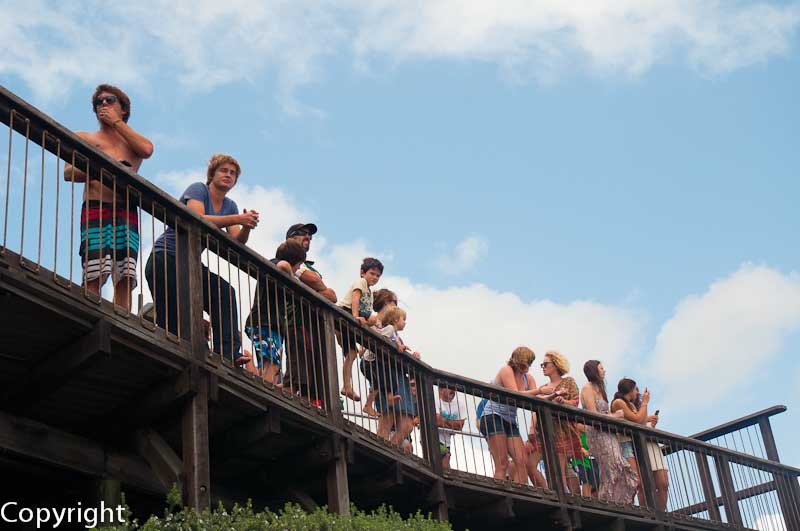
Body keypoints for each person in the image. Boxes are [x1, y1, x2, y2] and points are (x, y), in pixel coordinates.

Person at [145, 154, 257, 365]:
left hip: (191, 264)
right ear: (212, 174)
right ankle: (170, 357)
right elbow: (198, 217)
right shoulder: (199, 189)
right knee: (174, 319)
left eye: (233, 173)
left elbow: (237, 242)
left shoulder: (230, 205)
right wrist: (237, 219)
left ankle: (228, 353)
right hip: (166, 257)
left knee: (224, 292)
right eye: (224, 170)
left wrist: (246, 227)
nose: (228, 175)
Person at [64, 84, 154, 311]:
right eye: (99, 102)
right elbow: (68, 172)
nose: (103, 104)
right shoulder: (85, 137)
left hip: (125, 210)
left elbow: (147, 149)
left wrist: (116, 122)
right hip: (96, 207)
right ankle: (89, 312)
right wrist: (103, 169)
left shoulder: (131, 142)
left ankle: (122, 320)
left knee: (125, 274)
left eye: (110, 100)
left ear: (123, 108)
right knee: (94, 269)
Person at [282, 223, 336, 406]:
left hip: (315, 326)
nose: (308, 237)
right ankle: (287, 406)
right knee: (297, 373)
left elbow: (332, 296)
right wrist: (318, 287)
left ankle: (308, 408)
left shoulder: (309, 267)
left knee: (312, 378)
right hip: (295, 321)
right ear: (290, 238)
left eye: (310, 236)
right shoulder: (285, 259)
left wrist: (315, 286)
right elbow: (317, 283)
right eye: (302, 233)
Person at [244, 240, 307, 385]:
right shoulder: (276, 264)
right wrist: (294, 281)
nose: (299, 268)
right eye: (299, 264)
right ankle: (266, 393)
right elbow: (283, 265)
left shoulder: (278, 272)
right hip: (265, 323)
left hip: (267, 325)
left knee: (269, 363)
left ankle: (261, 381)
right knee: (273, 363)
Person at [580, 360, 638, 504]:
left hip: (608, 432)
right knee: (612, 466)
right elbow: (593, 414)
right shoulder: (587, 388)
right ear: (594, 370)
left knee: (615, 467)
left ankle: (617, 501)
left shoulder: (601, 390)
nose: (604, 371)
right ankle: (607, 501)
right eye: (601, 368)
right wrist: (614, 416)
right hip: (596, 433)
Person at [525, 351, 583, 493]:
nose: (543, 367)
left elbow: (575, 402)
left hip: (561, 430)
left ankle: (561, 496)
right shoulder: (544, 386)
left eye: (545, 364)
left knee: (558, 470)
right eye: (541, 364)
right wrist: (532, 428)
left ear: (556, 365)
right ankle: (547, 491)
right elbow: (536, 404)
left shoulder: (568, 381)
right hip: (543, 431)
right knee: (530, 464)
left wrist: (563, 401)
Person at [477, 346, 536, 484]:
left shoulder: (528, 378)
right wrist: (540, 390)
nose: (528, 365)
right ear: (518, 360)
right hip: (493, 416)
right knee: (502, 463)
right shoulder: (506, 370)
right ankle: (499, 494)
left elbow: (536, 398)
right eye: (526, 361)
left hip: (510, 420)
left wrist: (553, 395)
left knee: (522, 461)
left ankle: (521, 495)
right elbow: (514, 393)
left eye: (530, 362)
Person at [610, 378, 668, 511]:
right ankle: (630, 510)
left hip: (633, 444)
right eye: (636, 389)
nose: (638, 392)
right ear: (630, 389)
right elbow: (637, 420)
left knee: (639, 483)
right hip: (625, 443)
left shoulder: (630, 405)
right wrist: (645, 403)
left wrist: (648, 419)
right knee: (635, 482)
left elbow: (639, 421)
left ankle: (657, 513)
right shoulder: (619, 402)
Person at [336, 257, 383, 402]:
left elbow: (367, 314)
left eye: (378, 275)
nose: (375, 277)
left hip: (351, 318)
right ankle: (347, 386)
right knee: (351, 353)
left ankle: (346, 387)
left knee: (351, 354)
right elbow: (355, 298)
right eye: (372, 273)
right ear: (362, 272)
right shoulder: (361, 282)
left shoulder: (369, 294)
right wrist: (355, 317)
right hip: (344, 313)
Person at [373, 306, 420, 448]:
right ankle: (382, 450)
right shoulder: (387, 329)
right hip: (387, 377)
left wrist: (412, 357)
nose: (405, 322)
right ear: (394, 319)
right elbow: (380, 341)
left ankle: (390, 449)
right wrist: (396, 346)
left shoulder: (396, 334)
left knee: (407, 425)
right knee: (387, 418)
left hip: (399, 381)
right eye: (403, 319)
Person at [435, 386, 465, 470]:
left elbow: (460, 426)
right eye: (449, 387)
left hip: (447, 442)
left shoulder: (460, 404)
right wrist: (452, 425)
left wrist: (444, 421)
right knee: (446, 457)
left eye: (454, 387)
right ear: (441, 389)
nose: (453, 390)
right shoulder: (435, 400)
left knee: (444, 462)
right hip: (432, 437)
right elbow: (437, 421)